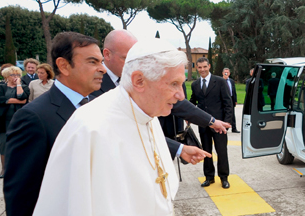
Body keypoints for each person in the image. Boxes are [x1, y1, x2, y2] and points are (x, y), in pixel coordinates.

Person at [32, 39, 200, 216]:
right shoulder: (93, 129)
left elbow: (156, 200)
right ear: (139, 80)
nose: (180, 95)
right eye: (173, 84)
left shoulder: (146, 116)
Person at [3, 32, 104, 216]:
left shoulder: (96, 107)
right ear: (63, 65)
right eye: (93, 61)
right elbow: (20, 186)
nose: (102, 68)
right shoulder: (35, 116)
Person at [90, 29, 230, 158]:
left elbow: (150, 132)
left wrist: (210, 122)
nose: (133, 64)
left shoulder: (152, 113)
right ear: (107, 54)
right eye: (127, 59)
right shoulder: (91, 87)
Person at [190, 57, 233, 188]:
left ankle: (224, 177)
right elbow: (193, 102)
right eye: (199, 67)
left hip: (219, 125)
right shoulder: (195, 84)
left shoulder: (219, 81)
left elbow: (228, 103)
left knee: (221, 151)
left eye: (204, 67)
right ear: (197, 68)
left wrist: (227, 122)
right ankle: (209, 177)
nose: (202, 69)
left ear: (209, 66)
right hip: (203, 125)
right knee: (206, 151)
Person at [0, 66, 30, 178]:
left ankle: (20, 167)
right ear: (6, 76)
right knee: (3, 143)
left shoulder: (24, 86)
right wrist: (16, 101)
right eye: (13, 75)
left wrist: (18, 85)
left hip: (19, 119)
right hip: (4, 120)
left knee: (20, 142)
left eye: (18, 75)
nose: (16, 77)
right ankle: (4, 168)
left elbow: (23, 98)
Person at [222, 68, 239, 132]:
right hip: (223, 99)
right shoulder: (221, 80)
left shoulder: (231, 81)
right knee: (224, 113)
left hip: (231, 98)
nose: (226, 73)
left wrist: (235, 100)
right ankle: (224, 127)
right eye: (225, 72)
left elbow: (234, 91)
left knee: (232, 113)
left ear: (229, 73)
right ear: (222, 73)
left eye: (227, 72)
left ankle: (234, 128)